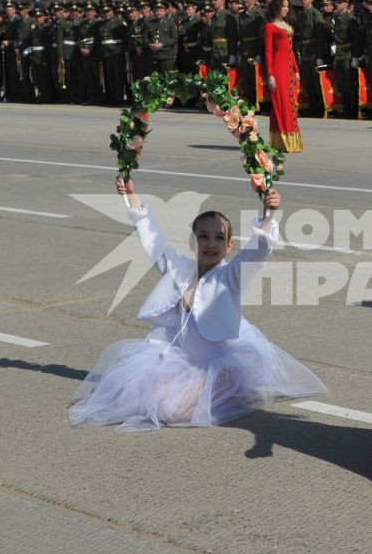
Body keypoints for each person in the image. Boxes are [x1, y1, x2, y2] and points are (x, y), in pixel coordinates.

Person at [69, 178, 323, 430]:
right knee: (142, 395)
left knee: (170, 412)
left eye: (219, 238)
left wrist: (268, 215)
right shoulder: (179, 268)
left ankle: (225, 391)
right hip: (180, 360)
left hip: (215, 367)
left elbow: (257, 252)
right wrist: (131, 195)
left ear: (229, 246)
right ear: (192, 243)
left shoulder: (231, 277)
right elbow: (152, 239)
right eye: (203, 236)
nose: (211, 244)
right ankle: (198, 395)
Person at [262, 0, 304, 153]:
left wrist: (296, 70)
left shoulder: (288, 25)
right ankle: (285, 140)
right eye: (283, 6)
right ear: (276, 8)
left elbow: (291, 50)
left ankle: (278, 141)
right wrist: (270, 74)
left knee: (291, 103)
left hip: (289, 71)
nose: (286, 9)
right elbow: (268, 51)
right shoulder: (270, 26)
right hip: (278, 70)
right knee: (282, 103)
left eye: (287, 6)